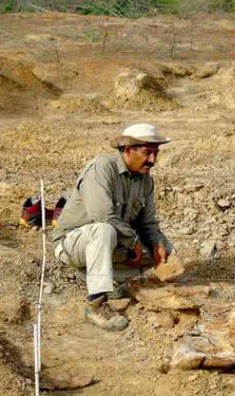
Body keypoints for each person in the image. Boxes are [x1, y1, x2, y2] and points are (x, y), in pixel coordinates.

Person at [52, 123, 175, 331]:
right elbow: (103, 216)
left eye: (156, 153)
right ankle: (97, 303)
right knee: (104, 230)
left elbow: (148, 223)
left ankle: (114, 284)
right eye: (147, 153)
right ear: (128, 150)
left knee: (166, 249)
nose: (153, 160)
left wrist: (156, 243)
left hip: (111, 242)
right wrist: (133, 241)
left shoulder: (145, 181)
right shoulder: (101, 168)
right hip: (73, 244)